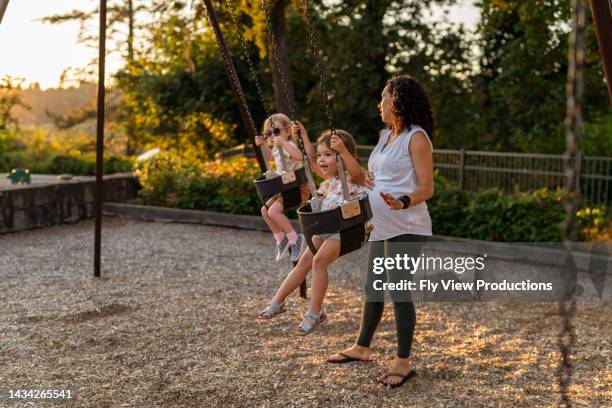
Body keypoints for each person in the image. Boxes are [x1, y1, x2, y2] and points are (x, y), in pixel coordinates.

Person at [327, 75, 435, 388]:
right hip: (383, 224)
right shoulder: (386, 135)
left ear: (397, 99)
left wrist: (403, 200)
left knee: (398, 288)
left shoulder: (417, 138)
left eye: (383, 98)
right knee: (373, 285)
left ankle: (403, 362)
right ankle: (362, 347)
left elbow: (428, 187)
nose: (379, 104)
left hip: (408, 224)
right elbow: (366, 179)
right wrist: (343, 153)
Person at [258, 129, 369, 336]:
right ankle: (277, 302)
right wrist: (303, 136)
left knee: (319, 262)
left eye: (328, 154)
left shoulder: (353, 177)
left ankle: (314, 313)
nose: (322, 159)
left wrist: (343, 151)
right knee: (304, 262)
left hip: (346, 231)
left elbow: (356, 172)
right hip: (325, 227)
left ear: (343, 154)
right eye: (320, 155)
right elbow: (309, 159)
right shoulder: (329, 180)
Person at [255, 113, 309, 262]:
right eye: (269, 133)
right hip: (285, 188)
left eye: (276, 131)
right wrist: (263, 144)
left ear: (287, 130)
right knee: (265, 210)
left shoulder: (288, 145)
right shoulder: (277, 148)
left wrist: (283, 143)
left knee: (273, 211)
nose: (273, 135)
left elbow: (300, 157)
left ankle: (295, 238)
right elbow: (270, 157)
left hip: (297, 188)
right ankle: (281, 239)